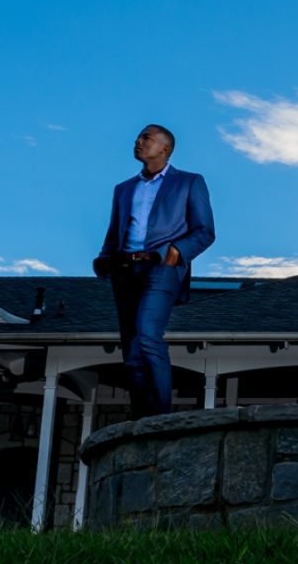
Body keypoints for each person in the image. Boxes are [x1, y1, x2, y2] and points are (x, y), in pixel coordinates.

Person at [91, 124, 216, 417]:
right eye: (138, 137)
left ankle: (160, 418)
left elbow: (205, 231)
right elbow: (116, 230)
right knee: (132, 350)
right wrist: (104, 257)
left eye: (146, 137)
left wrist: (174, 254)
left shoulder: (189, 182)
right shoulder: (123, 189)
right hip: (124, 270)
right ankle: (142, 419)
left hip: (160, 268)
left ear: (165, 148)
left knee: (148, 335)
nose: (138, 141)